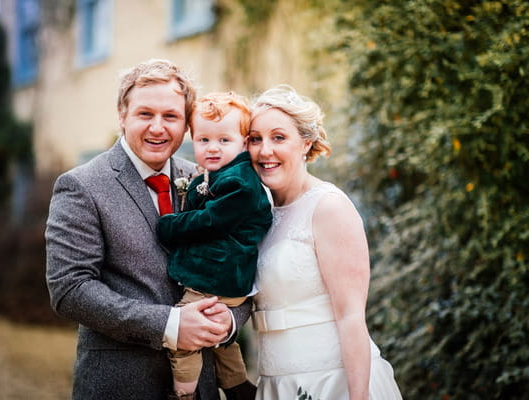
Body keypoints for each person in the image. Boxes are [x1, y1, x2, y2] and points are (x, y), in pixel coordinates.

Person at [45, 59, 252, 400]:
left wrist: (228, 321)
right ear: (122, 115)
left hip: (202, 386)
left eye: (170, 116)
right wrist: (170, 325)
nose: (158, 127)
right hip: (122, 384)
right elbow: (70, 289)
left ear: (186, 124)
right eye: (145, 114)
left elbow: (243, 256)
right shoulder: (81, 186)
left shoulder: (210, 181)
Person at [247, 85, 402, 400]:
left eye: (279, 137)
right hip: (275, 383)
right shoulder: (257, 213)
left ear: (305, 143)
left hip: (332, 382)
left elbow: (351, 315)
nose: (265, 151)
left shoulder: (328, 207)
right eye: (255, 139)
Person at [156, 92, 272, 399]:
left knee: (185, 333)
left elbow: (209, 220)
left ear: (244, 143)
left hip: (216, 274)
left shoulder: (239, 182)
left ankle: (182, 394)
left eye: (224, 140)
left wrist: (169, 226)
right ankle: (238, 387)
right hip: (222, 275)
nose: (212, 148)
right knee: (220, 338)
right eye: (204, 140)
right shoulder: (221, 173)